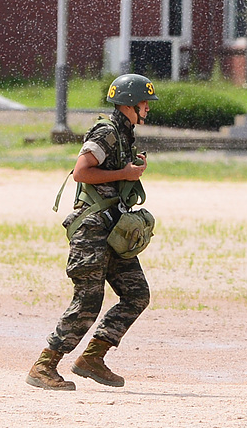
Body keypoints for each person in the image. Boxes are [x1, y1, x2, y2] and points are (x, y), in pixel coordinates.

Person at [26, 73, 157, 390]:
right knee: (88, 299)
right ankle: (43, 366)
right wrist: (125, 171)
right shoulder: (106, 131)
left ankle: (92, 358)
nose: (147, 108)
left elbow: (111, 176)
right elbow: (81, 172)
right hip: (92, 229)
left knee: (136, 294)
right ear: (129, 104)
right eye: (144, 102)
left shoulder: (125, 135)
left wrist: (129, 171)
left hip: (112, 230)